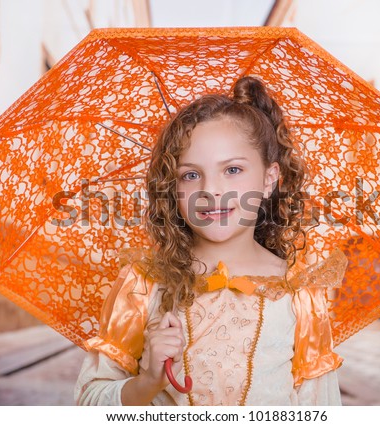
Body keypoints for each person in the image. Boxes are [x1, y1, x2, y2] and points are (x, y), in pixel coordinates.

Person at [74, 75, 348, 406]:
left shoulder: (298, 290)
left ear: (269, 179)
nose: (211, 190)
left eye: (232, 170)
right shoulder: (144, 284)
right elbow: (89, 401)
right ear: (173, 190)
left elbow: (321, 407)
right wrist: (147, 382)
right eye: (191, 175)